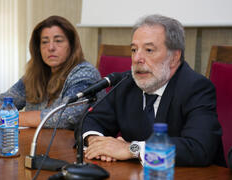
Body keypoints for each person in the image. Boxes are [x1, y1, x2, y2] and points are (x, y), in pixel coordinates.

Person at [82, 14, 226, 166]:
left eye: (149, 50)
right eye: (133, 50)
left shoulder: (196, 88)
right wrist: (97, 143)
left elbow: (198, 148)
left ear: (174, 57)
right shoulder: (126, 83)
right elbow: (90, 119)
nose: (137, 58)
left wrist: (132, 149)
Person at [0, 15, 104, 129]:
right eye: (44, 42)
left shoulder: (85, 74)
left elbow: (64, 117)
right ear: (38, 48)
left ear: (72, 46)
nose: (50, 47)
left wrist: (3, 116)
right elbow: (4, 100)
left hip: (78, 150)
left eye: (58, 41)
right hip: (39, 146)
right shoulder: (37, 74)